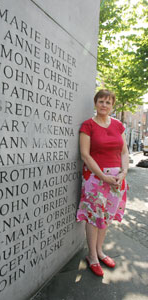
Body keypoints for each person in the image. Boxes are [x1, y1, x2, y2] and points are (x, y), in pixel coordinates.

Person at [76, 89, 129, 276]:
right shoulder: (88, 125)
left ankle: (99, 251)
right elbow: (85, 155)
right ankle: (92, 256)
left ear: (112, 105)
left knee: (106, 216)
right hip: (95, 178)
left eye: (108, 102)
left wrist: (123, 172)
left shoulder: (118, 126)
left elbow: (124, 152)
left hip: (116, 179)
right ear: (95, 103)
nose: (104, 105)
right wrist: (102, 176)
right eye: (101, 101)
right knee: (94, 216)